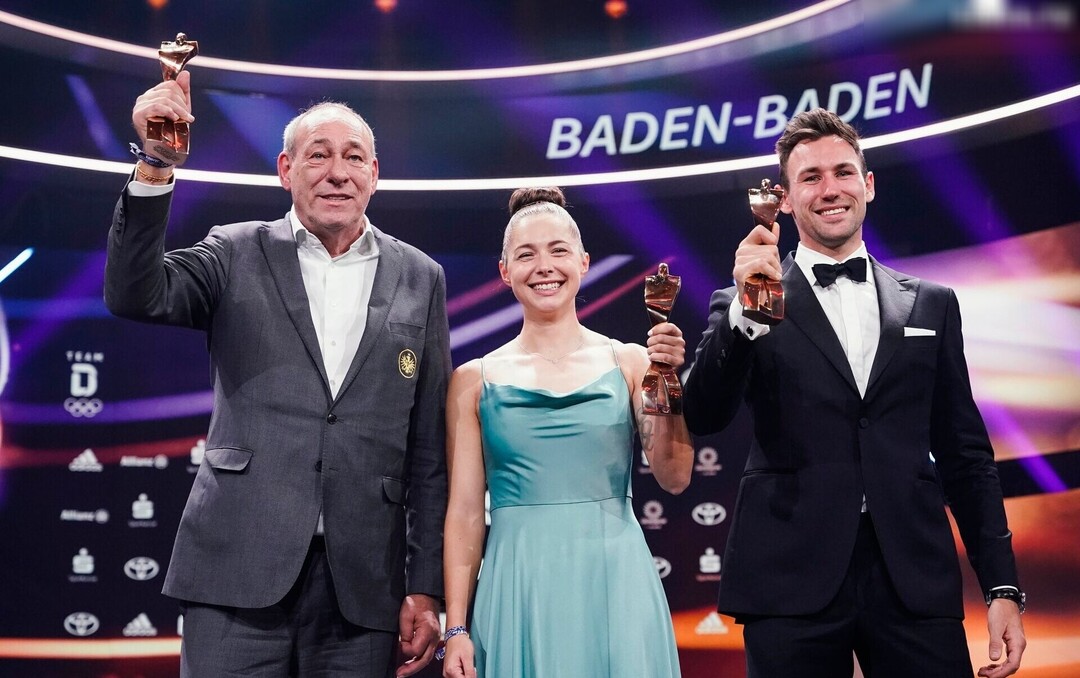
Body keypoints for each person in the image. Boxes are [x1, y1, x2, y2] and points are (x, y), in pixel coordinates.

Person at [104, 68, 451, 678]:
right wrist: (155, 166)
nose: (337, 172)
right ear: (285, 170)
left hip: (363, 586)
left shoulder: (421, 277)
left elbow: (428, 451)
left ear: (374, 174)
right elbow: (136, 293)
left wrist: (425, 587)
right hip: (235, 570)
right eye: (318, 155)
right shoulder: (234, 250)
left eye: (353, 157)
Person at [682, 108, 1026, 677]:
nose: (830, 189)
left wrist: (1002, 585)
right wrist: (747, 307)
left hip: (911, 575)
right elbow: (703, 414)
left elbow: (965, 455)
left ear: (868, 185)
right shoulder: (741, 302)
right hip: (790, 576)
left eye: (843, 172)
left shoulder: (932, 304)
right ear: (785, 200)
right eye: (810, 177)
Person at [440, 187, 693, 678]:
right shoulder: (473, 380)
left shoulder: (631, 363)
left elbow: (675, 476)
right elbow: (465, 513)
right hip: (517, 585)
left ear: (583, 262)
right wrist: (456, 628)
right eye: (526, 255)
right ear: (504, 271)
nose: (544, 267)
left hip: (615, 582)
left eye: (558, 251)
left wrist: (667, 383)